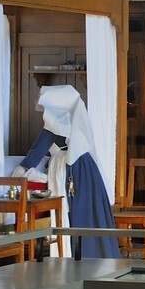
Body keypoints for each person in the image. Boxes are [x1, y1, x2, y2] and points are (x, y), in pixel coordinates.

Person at [17, 84, 121, 260]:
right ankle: (95, 252)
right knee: (89, 212)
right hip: (86, 169)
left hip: (69, 169)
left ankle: (79, 254)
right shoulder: (74, 119)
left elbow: (39, 148)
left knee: (75, 211)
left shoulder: (57, 122)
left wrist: (23, 168)